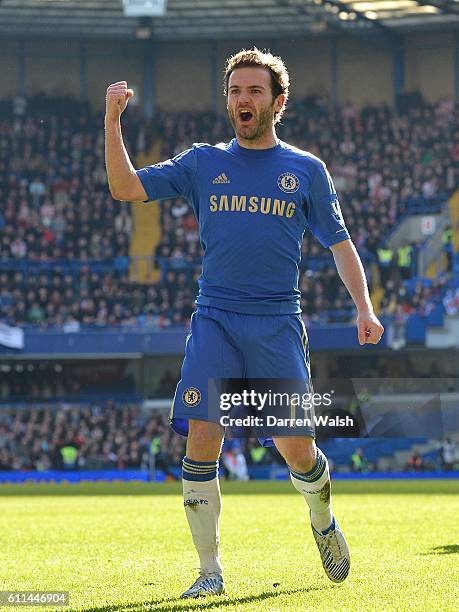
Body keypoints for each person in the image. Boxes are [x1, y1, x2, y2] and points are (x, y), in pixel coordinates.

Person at [105, 48, 384, 599]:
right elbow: (126, 187)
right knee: (202, 440)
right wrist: (112, 121)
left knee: (296, 450)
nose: (243, 100)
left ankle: (322, 521)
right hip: (215, 319)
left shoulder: (305, 170)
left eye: (255, 92)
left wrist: (365, 307)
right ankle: (209, 572)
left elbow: (339, 242)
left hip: (277, 322)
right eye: (235, 91)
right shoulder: (202, 162)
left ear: (277, 102)